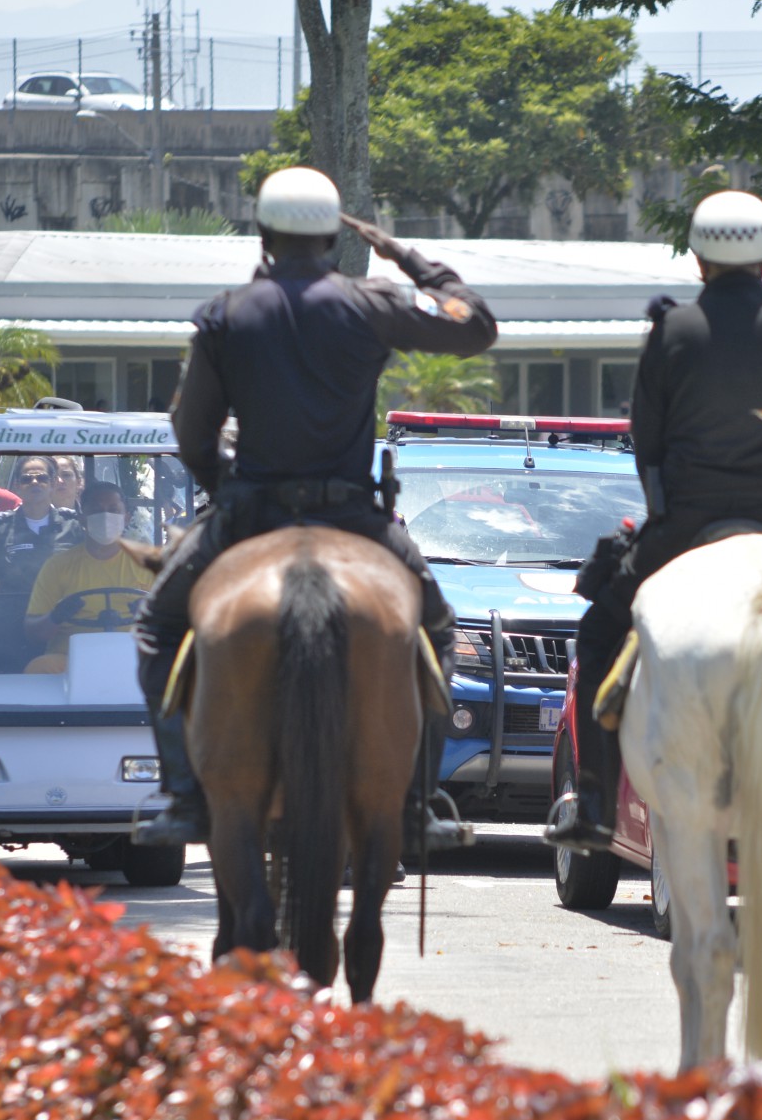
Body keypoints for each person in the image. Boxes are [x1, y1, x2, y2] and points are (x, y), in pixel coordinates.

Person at [132, 166, 497, 853]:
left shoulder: (224, 313)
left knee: (156, 626)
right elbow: (474, 324)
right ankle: (418, 800)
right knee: (440, 630)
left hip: (250, 511)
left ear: (264, 233)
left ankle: (181, 793)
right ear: (333, 236)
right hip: (355, 514)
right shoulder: (374, 301)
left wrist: (226, 486)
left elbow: (193, 432)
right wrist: (406, 256)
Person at [545, 190, 762, 851]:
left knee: (597, 635)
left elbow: (645, 442)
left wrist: (658, 519)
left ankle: (591, 800)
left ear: (699, 258)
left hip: (687, 521)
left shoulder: (672, 329)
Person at [23, 482, 155, 670]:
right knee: (39, 667)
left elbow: (174, 631)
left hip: (134, 661)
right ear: (82, 518)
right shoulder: (57, 566)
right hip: (69, 660)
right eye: (96, 510)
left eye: (113, 509)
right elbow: (33, 632)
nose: (105, 515)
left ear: (126, 518)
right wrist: (56, 616)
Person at [0, 455, 83, 593]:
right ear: (17, 486)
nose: (34, 482)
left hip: (64, 611)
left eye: (42, 478)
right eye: (26, 479)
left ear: (53, 483)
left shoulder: (73, 526)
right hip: (15, 612)